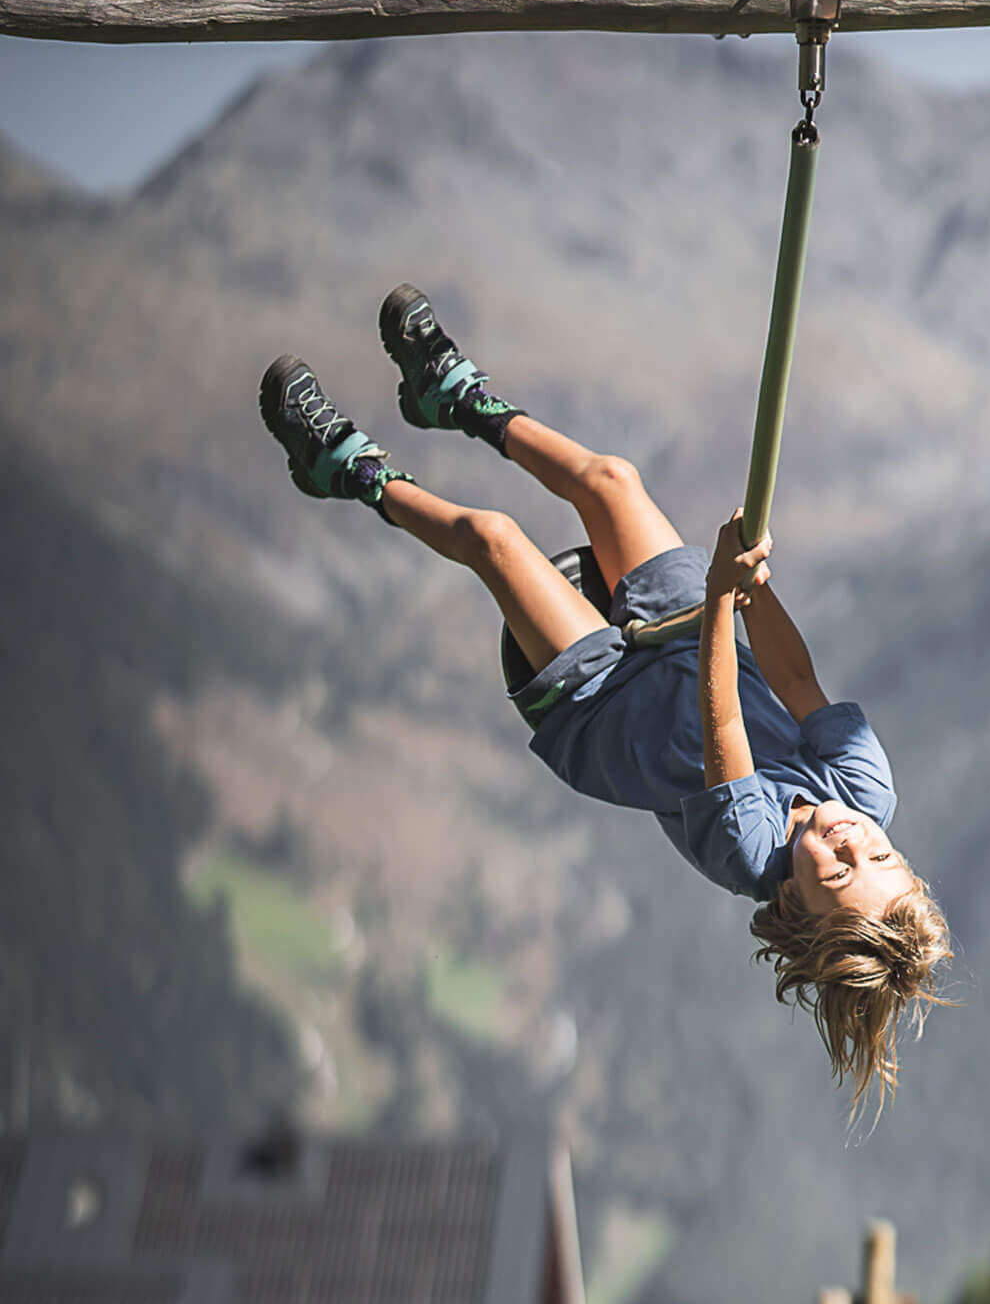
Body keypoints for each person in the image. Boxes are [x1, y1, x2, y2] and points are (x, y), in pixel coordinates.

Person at [257, 287, 950, 1107]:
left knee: (496, 539)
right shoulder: (866, 791)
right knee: (613, 481)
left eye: (838, 872)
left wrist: (729, 596)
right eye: (877, 854)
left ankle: (346, 466)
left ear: (796, 901)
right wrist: (755, 586)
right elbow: (796, 683)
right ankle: (455, 397)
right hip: (693, 635)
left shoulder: (750, 852)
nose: (849, 842)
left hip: (604, 699)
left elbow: (721, 720)